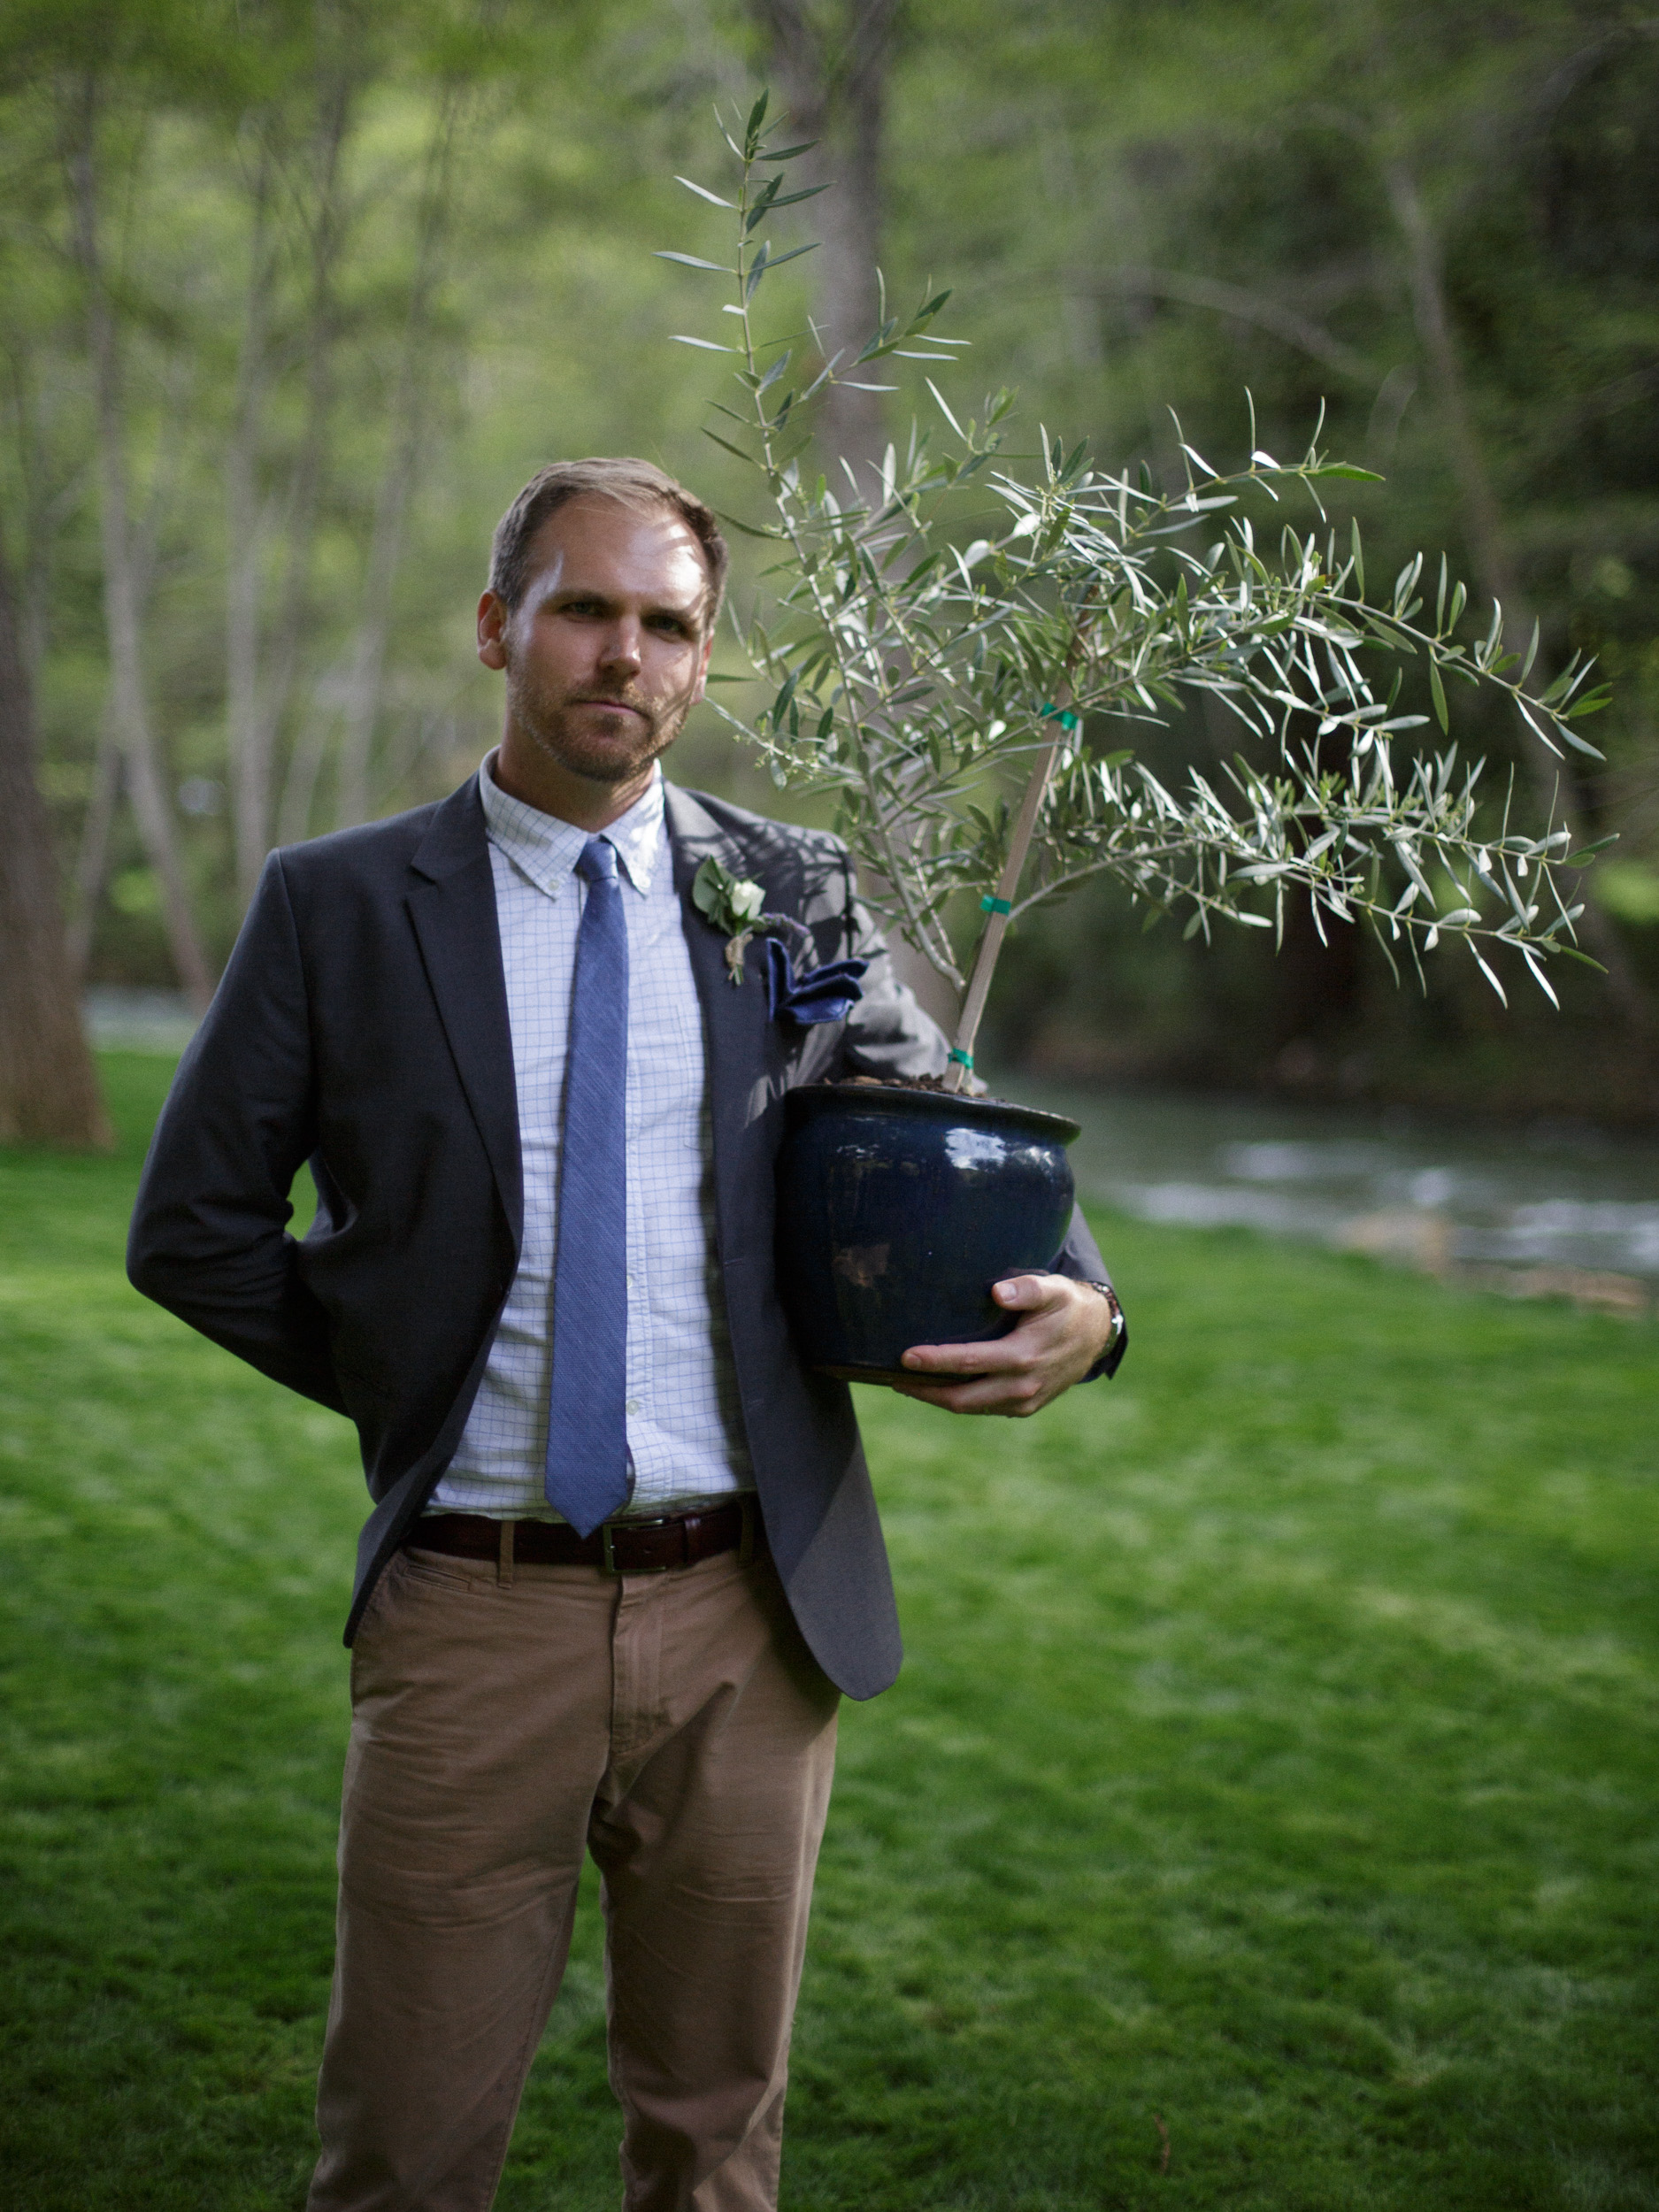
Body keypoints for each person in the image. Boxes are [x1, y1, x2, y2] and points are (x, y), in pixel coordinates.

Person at [127, 457, 1125, 2212]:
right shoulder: (340, 905)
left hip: (753, 1618)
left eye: (668, 624)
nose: (624, 655)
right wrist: (405, 1364)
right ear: (500, 624)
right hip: (466, 1615)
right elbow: (191, 1231)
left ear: (703, 657)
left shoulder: (790, 899)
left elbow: (936, 1120)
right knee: (403, 2156)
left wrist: (1092, 1304)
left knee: (715, 2145)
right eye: (585, 609)